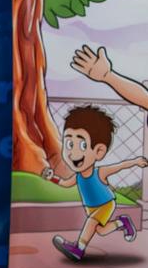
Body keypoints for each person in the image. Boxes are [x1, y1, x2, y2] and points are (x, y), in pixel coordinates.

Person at [42, 105, 145, 260]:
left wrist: (136, 161)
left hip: (106, 203)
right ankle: (122, 223)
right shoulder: (77, 177)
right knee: (101, 230)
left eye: (82, 145)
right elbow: (64, 183)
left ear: (99, 151)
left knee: (91, 223)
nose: (73, 153)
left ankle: (79, 249)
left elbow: (120, 166)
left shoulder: (100, 172)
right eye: (69, 144)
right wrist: (51, 177)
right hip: (90, 207)